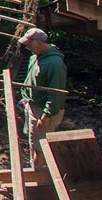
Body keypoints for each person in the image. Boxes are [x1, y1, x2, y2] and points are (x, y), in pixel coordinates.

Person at [18, 27, 67, 168]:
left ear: (39, 43)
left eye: (29, 44)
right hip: (33, 107)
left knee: (41, 147)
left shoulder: (55, 64)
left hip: (43, 112)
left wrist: (47, 115)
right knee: (33, 141)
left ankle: (39, 175)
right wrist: (25, 96)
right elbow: (31, 79)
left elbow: (56, 93)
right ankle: (34, 167)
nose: (27, 48)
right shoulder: (35, 57)